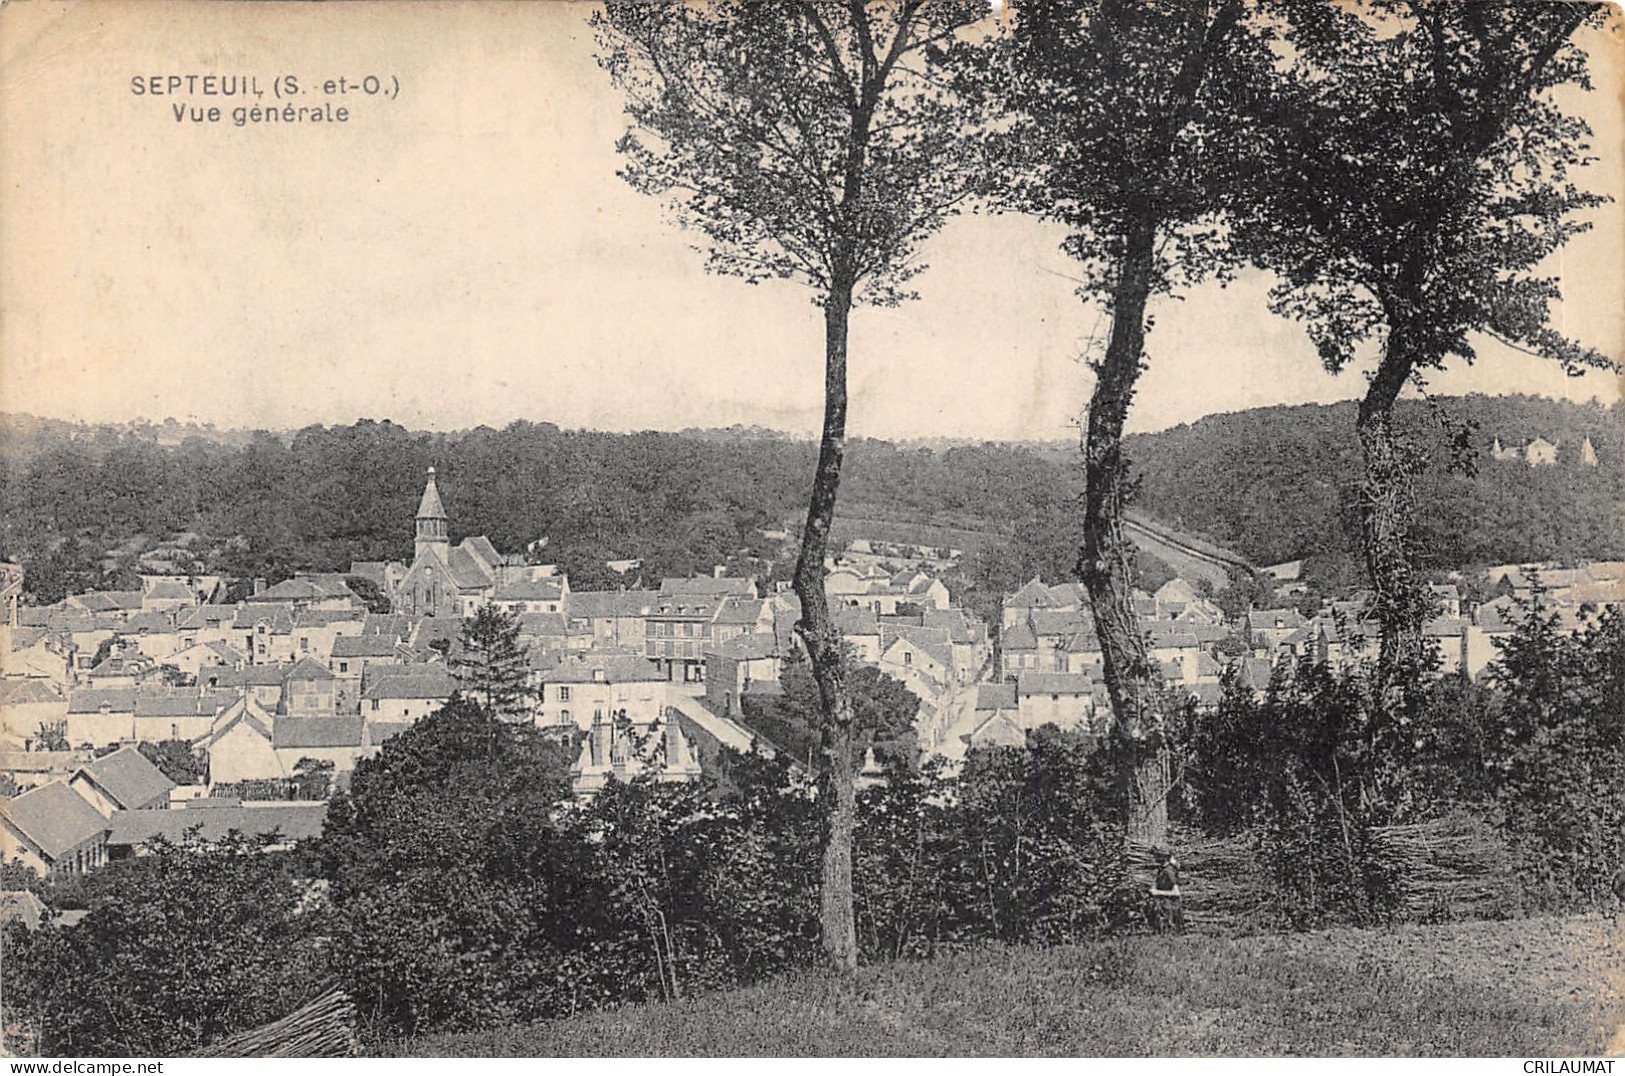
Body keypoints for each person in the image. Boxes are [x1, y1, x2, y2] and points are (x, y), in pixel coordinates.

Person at [1147, 850, 1185, 934]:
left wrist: (1158, 892)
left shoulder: (1169, 871)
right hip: (1165, 906)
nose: (1155, 858)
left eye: (1157, 855)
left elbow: (1177, 893)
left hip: (1171, 908)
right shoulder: (1162, 870)